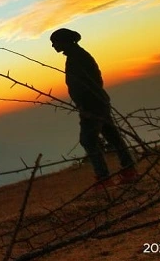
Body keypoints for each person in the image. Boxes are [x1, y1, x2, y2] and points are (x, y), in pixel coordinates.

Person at [50, 28, 137, 187]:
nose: (53, 46)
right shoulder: (77, 55)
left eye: (54, 42)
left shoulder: (77, 57)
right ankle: (128, 170)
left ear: (64, 41)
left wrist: (86, 106)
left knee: (88, 140)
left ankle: (104, 178)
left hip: (92, 106)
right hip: (97, 103)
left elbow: (88, 82)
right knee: (112, 137)